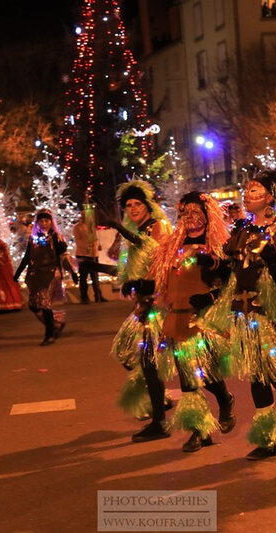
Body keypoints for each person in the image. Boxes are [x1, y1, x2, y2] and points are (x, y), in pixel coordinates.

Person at [202, 168, 276, 461]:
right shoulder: (241, 229)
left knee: (275, 371)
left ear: (270, 197)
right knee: (256, 373)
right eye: (245, 191)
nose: (246, 196)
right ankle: (270, 437)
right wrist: (212, 268)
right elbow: (230, 271)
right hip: (243, 308)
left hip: (272, 308)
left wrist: (274, 264)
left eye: (253, 191)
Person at [147, 191, 236, 452]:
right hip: (177, 317)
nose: (190, 218)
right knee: (187, 379)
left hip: (204, 320)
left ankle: (225, 399)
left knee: (206, 374)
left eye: (196, 212)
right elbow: (162, 281)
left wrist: (209, 294)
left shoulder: (220, 247)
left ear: (208, 215)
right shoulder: (171, 247)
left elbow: (230, 284)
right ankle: (199, 430)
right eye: (185, 213)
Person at [103, 180, 174, 442]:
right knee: (126, 353)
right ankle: (160, 404)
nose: (132, 208)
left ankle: (160, 421)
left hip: (158, 304)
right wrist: (92, 268)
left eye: (137, 204)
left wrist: (120, 228)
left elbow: (156, 256)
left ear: (148, 205)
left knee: (150, 362)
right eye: (128, 205)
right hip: (142, 302)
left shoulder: (159, 226)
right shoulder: (134, 231)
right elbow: (129, 268)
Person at [14, 210, 78, 345]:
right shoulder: (33, 238)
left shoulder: (55, 237)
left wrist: (73, 272)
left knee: (45, 304)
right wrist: (17, 273)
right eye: (41, 221)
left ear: (51, 222)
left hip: (51, 274)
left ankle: (49, 334)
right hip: (36, 275)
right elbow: (27, 257)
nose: (44, 223)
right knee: (33, 305)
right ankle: (56, 322)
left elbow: (64, 256)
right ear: (37, 223)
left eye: (46, 221)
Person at [73, 206, 108, 304]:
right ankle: (84, 297)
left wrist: (96, 246)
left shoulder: (91, 226)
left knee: (95, 276)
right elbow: (78, 241)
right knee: (83, 277)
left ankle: (98, 295)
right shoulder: (77, 227)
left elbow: (95, 239)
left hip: (94, 254)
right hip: (83, 254)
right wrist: (87, 246)